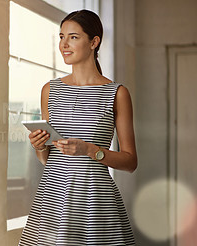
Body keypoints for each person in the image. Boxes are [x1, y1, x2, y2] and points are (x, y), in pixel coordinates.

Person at [18, 9, 137, 245]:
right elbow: (47, 159)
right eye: (61, 37)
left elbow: (130, 162)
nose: (64, 44)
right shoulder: (49, 90)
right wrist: (39, 146)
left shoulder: (117, 93)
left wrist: (90, 150)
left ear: (94, 42)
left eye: (73, 37)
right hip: (53, 197)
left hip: (95, 201)